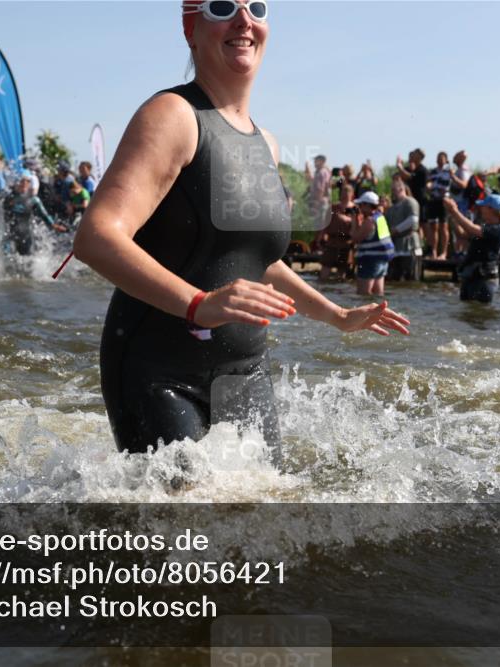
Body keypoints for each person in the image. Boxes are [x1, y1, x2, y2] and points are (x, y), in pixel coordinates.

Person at [70, 0, 410, 459]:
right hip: (159, 369)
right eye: (222, 6)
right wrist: (199, 304)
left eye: (257, 7)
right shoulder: (173, 115)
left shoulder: (265, 142)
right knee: (186, 506)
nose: (244, 19)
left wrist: (336, 315)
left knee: (269, 499)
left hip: (246, 370)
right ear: (191, 30)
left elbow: (254, 260)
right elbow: (96, 237)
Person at [443, 193, 500, 303]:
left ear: (491, 209)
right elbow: (463, 234)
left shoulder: (497, 229)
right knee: (467, 307)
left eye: (483, 206)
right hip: (473, 275)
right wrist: (451, 215)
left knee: (482, 310)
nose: (481, 209)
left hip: (484, 279)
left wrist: (454, 210)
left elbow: (472, 229)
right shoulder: (486, 227)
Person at [3, 170, 66, 257]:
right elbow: (5, 210)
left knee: (27, 259)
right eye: (21, 181)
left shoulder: (33, 200)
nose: (24, 184)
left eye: (27, 182)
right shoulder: (9, 197)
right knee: (6, 257)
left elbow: (44, 215)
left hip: (25, 235)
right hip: (10, 235)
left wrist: (53, 225)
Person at [349, 191, 394, 296]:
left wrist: (354, 220)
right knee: (378, 294)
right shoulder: (380, 217)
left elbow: (355, 238)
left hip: (370, 261)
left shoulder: (369, 221)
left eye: (361, 205)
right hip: (382, 260)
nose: (359, 208)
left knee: (363, 295)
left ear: (367, 205)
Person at [314, 183, 354, 281]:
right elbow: (325, 224)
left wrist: (347, 219)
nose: (344, 195)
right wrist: (319, 238)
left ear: (351, 194)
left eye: (347, 193)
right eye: (343, 192)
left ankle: (339, 289)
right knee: (325, 269)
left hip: (346, 243)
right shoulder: (333, 207)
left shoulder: (355, 208)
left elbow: (359, 224)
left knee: (341, 272)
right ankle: (322, 287)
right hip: (332, 242)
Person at [385, 182, 422, 281]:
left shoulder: (410, 202)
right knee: (396, 279)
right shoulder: (392, 208)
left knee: (411, 279)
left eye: (394, 190)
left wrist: (396, 229)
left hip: (410, 245)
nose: (392, 193)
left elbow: (413, 219)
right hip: (396, 246)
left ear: (401, 189)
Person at [425, 152, 452, 260]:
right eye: (438, 158)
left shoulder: (449, 171)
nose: (440, 160)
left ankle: (444, 253)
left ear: (446, 160)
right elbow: (429, 183)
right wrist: (429, 186)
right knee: (433, 226)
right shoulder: (432, 171)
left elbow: (448, 185)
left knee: (443, 226)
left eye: (442, 158)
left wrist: (438, 188)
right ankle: (433, 251)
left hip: (444, 201)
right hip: (433, 200)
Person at [304, 154, 331, 235]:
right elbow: (311, 181)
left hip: (319, 203)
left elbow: (320, 190)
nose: (314, 162)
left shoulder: (322, 173)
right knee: (318, 225)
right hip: (319, 202)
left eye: (316, 160)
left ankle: (318, 241)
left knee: (319, 226)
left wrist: (316, 204)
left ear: (322, 161)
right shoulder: (319, 172)